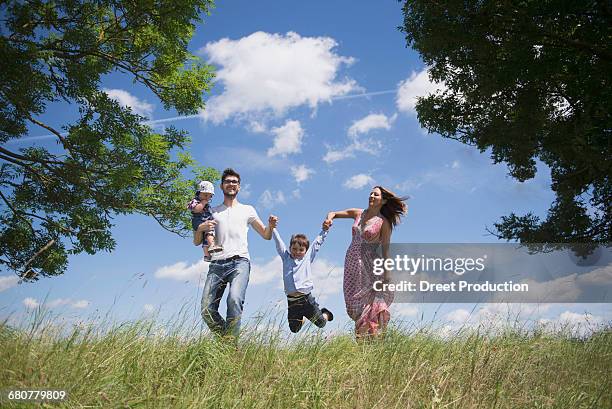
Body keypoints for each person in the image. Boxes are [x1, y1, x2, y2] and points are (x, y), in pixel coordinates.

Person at [194, 168, 274, 339]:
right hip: (217, 264)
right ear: (221, 186)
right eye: (228, 181)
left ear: (239, 187)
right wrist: (200, 228)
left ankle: (230, 347)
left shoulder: (248, 210)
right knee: (206, 309)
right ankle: (228, 340)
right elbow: (196, 241)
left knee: (234, 299)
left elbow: (266, 235)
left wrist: (271, 226)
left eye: (234, 182)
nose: (231, 184)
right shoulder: (212, 211)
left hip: (240, 262)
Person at [325, 186, 407, 338]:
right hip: (352, 263)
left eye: (375, 194)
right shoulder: (358, 213)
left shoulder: (384, 223)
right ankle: (365, 344)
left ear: (383, 200)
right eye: (370, 193)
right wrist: (329, 220)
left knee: (370, 306)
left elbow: (386, 251)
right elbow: (333, 213)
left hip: (370, 266)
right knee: (354, 306)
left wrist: (387, 276)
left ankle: (373, 342)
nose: (371, 196)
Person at [269, 215, 334, 333]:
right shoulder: (286, 258)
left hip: (306, 300)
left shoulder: (307, 258)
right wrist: (273, 228)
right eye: (294, 249)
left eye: (301, 250)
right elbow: (279, 243)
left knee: (321, 323)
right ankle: (302, 319)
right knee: (294, 329)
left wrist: (325, 230)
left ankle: (325, 313)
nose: (297, 252)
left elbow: (317, 243)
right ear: (290, 248)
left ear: (305, 251)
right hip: (292, 301)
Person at [187, 180, 222, 260]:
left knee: (206, 238)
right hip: (199, 221)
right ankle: (212, 246)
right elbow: (195, 210)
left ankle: (207, 255)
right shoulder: (195, 201)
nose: (207, 198)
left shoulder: (207, 204)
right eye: (205, 195)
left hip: (205, 221)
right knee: (209, 233)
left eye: (209, 196)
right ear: (199, 193)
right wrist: (202, 203)